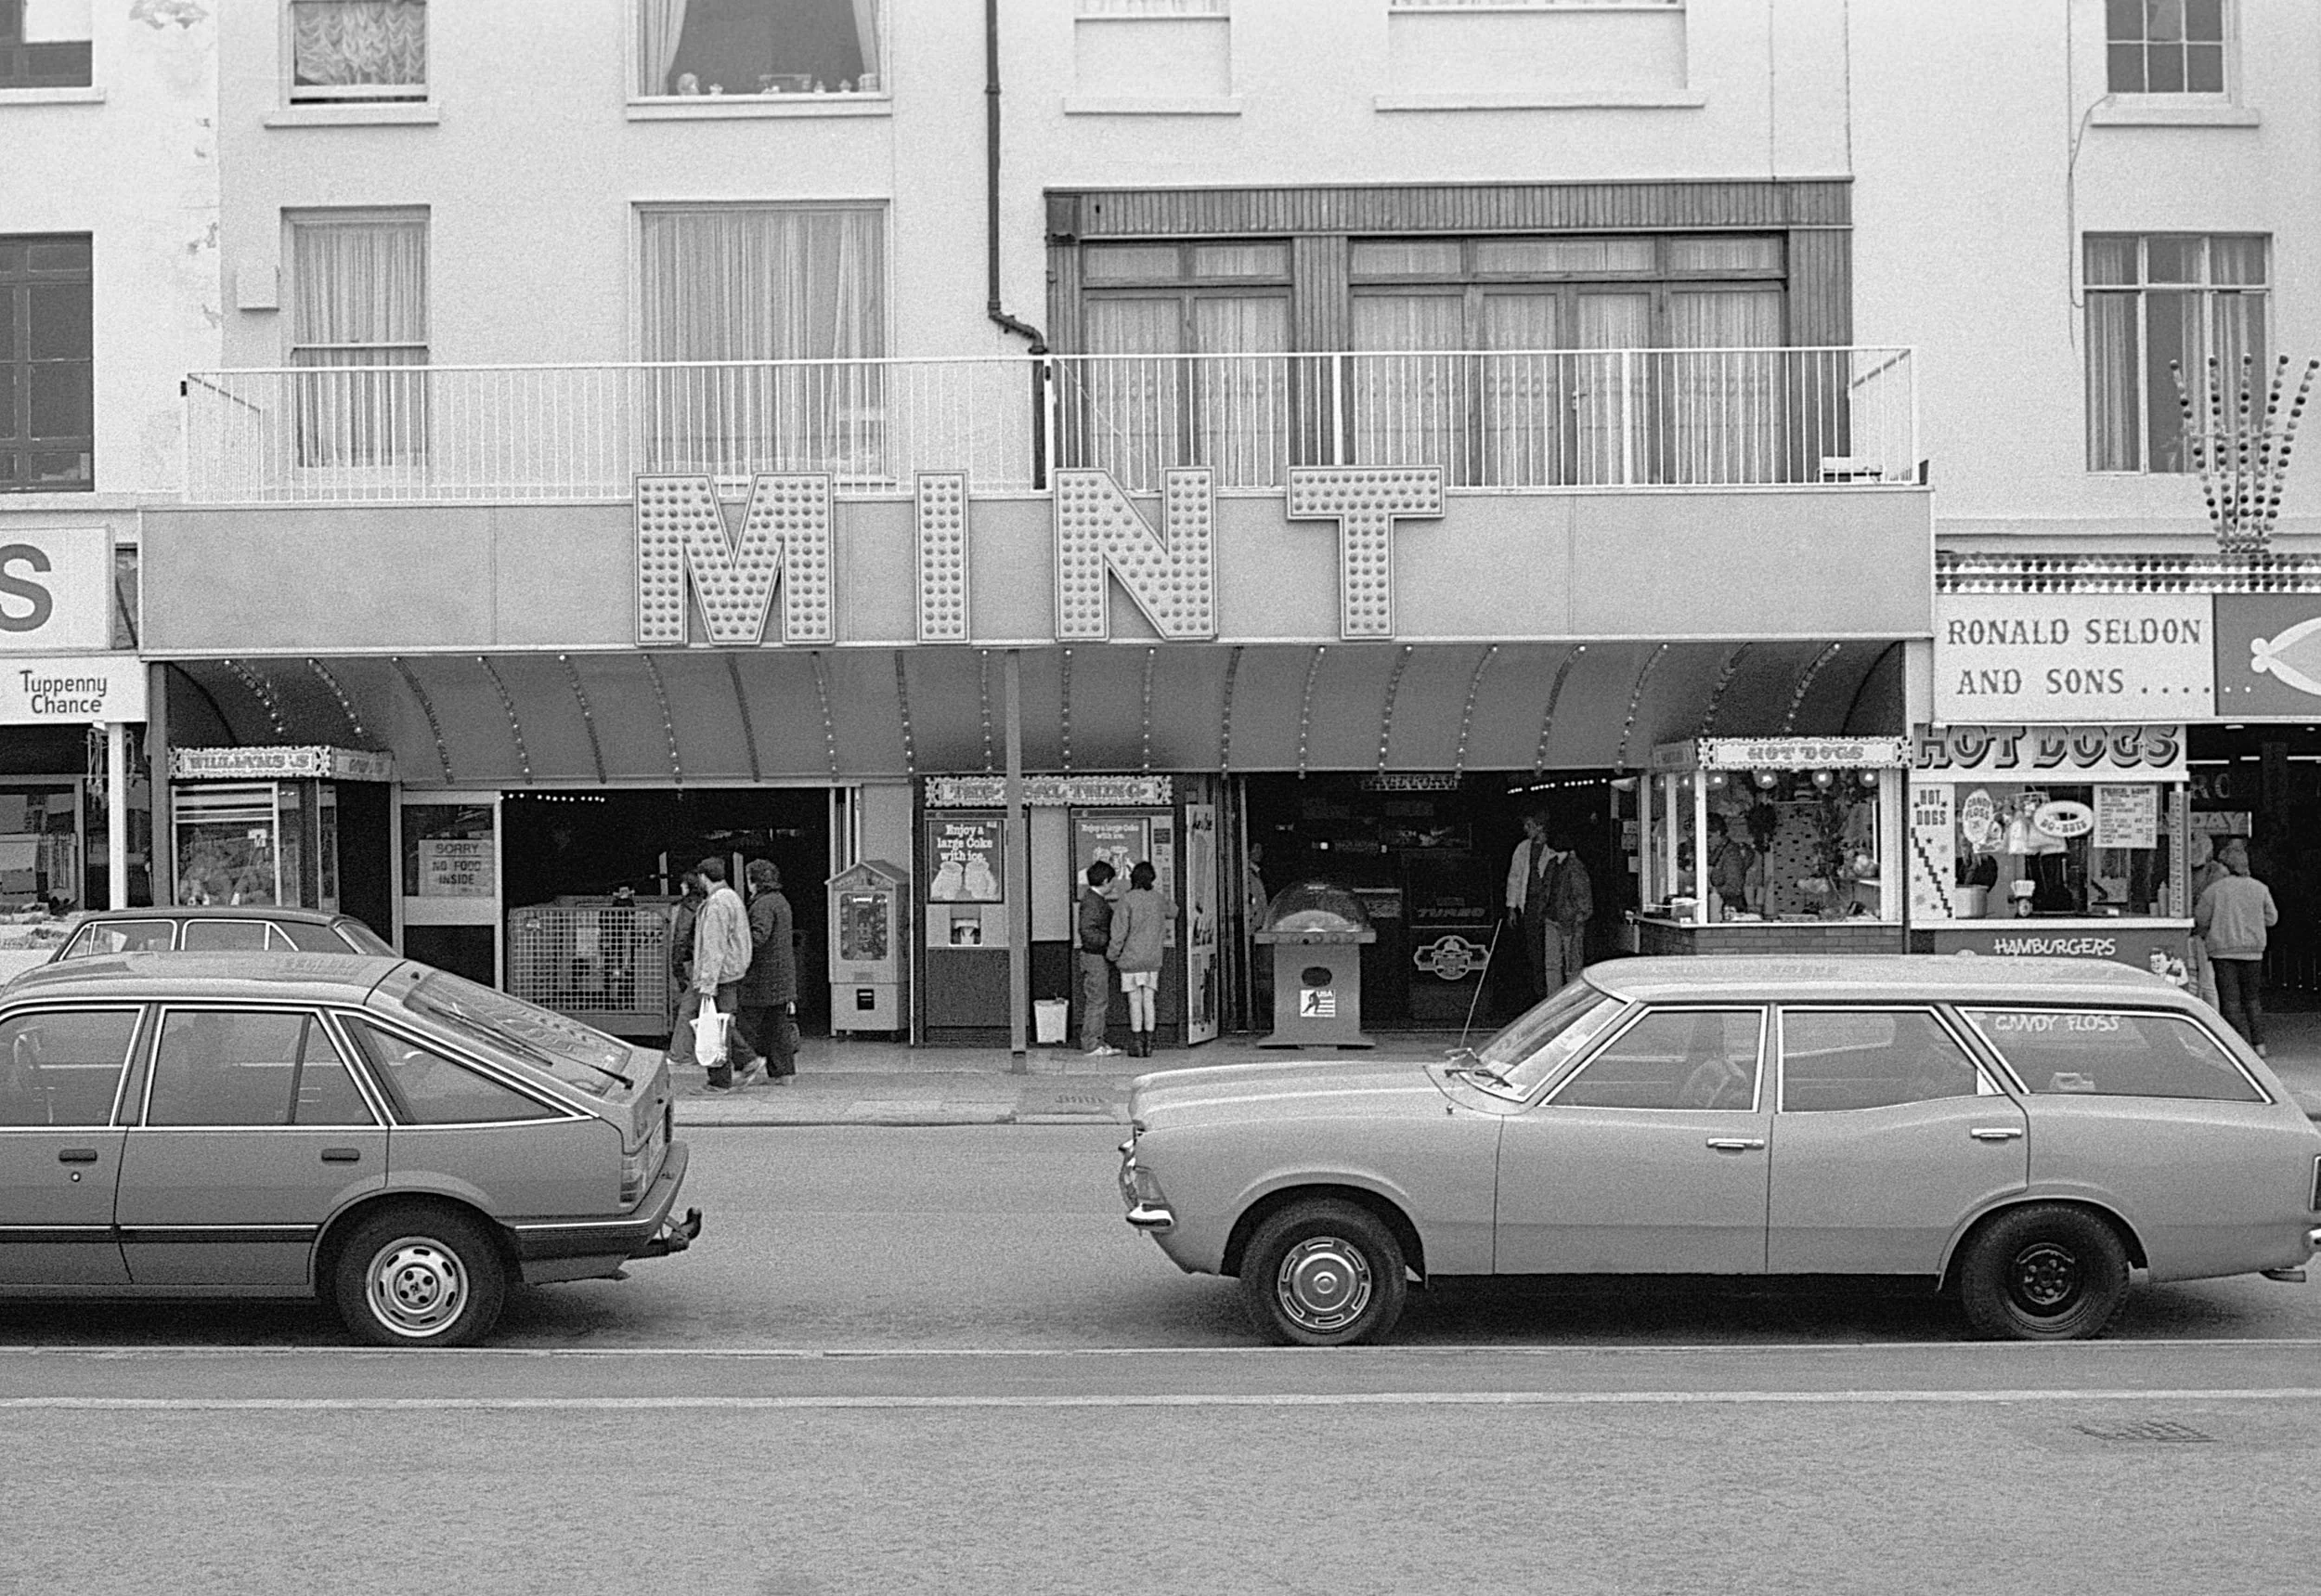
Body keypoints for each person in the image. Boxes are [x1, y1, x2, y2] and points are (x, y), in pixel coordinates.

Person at [2196, 837, 2276, 1055]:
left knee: (2230, 1000)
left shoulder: (2214, 890)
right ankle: (2259, 1045)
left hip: (2222, 951)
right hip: (2253, 952)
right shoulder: (2260, 888)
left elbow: (2201, 919)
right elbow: (2272, 919)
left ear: (2225, 866)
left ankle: (2239, 1044)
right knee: (2252, 1000)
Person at [1505, 811, 1593, 1000]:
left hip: (1563, 916)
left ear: (1540, 827)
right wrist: (1512, 906)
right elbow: (1515, 877)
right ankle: (1546, 998)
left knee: (1568, 962)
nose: (1526, 829)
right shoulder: (1524, 849)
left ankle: (1568, 1000)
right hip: (1540, 910)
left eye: (1530, 825)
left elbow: (1581, 895)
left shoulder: (1565, 860)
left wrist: (1578, 916)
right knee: (1543, 957)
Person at [692, 857, 754, 1091]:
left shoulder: (716, 904)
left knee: (715, 1028)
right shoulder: (733, 898)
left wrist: (707, 983)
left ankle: (719, 1081)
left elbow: (713, 947)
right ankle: (747, 1061)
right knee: (723, 1024)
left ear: (703, 877)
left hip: (720, 976)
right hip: (732, 973)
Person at [736, 859, 798, 1084]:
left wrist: (737, 946)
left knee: (743, 1023)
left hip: (761, 977)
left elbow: (758, 937)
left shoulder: (762, 905)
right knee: (777, 1026)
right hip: (781, 976)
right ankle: (784, 1072)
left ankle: (746, 1062)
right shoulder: (780, 901)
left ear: (753, 880)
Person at [1108, 861, 1174, 1058]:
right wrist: (1160, 894)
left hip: (1131, 959)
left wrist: (1112, 954)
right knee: (1149, 1000)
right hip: (1153, 959)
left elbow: (1118, 933)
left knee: (1134, 1001)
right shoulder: (1158, 899)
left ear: (1133, 878)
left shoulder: (1126, 900)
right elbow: (1175, 911)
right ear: (1152, 879)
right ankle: (1150, 1043)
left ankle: (1137, 1043)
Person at [1078, 860, 1123, 1058]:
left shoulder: (1092, 900)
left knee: (1097, 1001)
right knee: (1097, 1002)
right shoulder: (1094, 903)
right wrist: (1110, 942)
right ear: (1105, 880)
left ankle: (1097, 1041)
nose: (1114, 885)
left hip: (1093, 956)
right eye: (1112, 880)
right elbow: (1088, 932)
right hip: (1095, 958)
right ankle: (1092, 1043)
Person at [664, 869, 707, 1070]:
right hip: (704, 961)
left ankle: (680, 1053)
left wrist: (678, 967)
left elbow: (681, 938)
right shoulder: (706, 903)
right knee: (702, 1007)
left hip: (691, 962)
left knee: (687, 1008)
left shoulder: (686, 908)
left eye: (682, 885)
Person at [2185, 832, 2229, 1009]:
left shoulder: (2216, 872)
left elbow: (2212, 905)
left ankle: (2211, 1019)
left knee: (2205, 980)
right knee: (2196, 978)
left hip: (2206, 932)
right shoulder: (2187, 871)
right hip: (2196, 930)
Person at [1705, 814, 1759, 916]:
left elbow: (1734, 887)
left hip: (1730, 907)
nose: (1707, 840)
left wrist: (1711, 890)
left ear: (1718, 833)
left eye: (1709, 836)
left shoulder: (1731, 853)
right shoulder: (1717, 852)